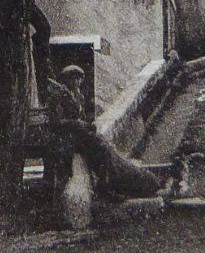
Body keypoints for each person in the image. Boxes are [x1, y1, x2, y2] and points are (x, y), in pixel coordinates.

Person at [45, 64, 166, 199]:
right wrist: (78, 124)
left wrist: (84, 125)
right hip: (67, 138)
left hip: (79, 136)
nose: (76, 82)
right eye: (72, 78)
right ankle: (106, 186)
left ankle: (111, 182)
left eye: (78, 79)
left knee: (105, 149)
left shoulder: (78, 96)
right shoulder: (58, 96)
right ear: (66, 80)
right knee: (101, 149)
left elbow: (83, 118)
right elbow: (56, 123)